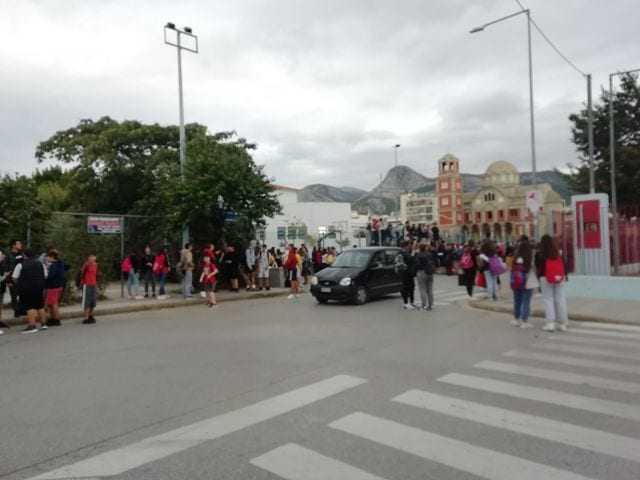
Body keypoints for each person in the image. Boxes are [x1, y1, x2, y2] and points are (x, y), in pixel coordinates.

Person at [536, 234, 568, 332]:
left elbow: (538, 267)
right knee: (560, 299)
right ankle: (562, 323)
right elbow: (564, 265)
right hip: (559, 278)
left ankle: (550, 323)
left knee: (548, 299)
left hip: (545, 278)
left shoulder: (540, 254)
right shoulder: (557, 253)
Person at [13, 250, 47, 333]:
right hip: (39, 288)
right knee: (40, 305)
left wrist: (20, 283)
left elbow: (14, 277)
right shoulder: (41, 264)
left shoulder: (20, 265)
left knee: (29, 307)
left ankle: (32, 326)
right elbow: (45, 275)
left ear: (25, 256)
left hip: (26, 289)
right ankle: (44, 324)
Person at [510, 237, 535, 328]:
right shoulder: (529, 257)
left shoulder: (516, 257)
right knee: (526, 300)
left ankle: (516, 319)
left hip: (516, 280)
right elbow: (532, 269)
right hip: (526, 280)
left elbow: (512, 268)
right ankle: (525, 321)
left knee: (517, 300)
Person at [44, 249, 68, 327]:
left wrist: (45, 279)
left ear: (52, 257)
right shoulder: (60, 263)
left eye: (48, 257)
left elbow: (51, 276)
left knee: (53, 304)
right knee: (52, 303)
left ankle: (56, 319)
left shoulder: (54, 265)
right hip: (59, 286)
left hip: (53, 287)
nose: (47, 258)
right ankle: (53, 318)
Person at [79, 253, 100, 324]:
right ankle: (86, 317)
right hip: (87, 284)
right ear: (88, 258)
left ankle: (91, 315)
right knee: (86, 301)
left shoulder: (96, 265)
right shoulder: (86, 265)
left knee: (93, 301)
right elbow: (81, 273)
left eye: (93, 257)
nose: (92, 259)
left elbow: (97, 274)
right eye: (91, 257)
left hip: (94, 284)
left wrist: (97, 283)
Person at [397, 240, 417, 310]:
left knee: (411, 287)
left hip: (408, 273)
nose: (410, 246)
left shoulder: (403, 252)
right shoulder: (402, 253)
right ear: (406, 246)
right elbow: (411, 259)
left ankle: (411, 302)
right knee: (406, 288)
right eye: (409, 245)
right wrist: (414, 252)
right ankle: (406, 303)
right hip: (405, 273)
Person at [6, 240, 24, 318]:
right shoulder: (8, 255)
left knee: (22, 295)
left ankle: (22, 310)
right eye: (18, 244)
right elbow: (6, 268)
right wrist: (8, 280)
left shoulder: (22, 254)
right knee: (14, 296)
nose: (20, 245)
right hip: (12, 279)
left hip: (22, 279)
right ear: (13, 246)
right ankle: (17, 312)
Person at [415, 242, 435, 310]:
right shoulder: (430, 254)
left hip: (422, 272)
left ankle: (423, 304)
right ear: (425, 248)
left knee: (422, 289)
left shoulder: (418, 255)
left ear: (419, 248)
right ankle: (431, 304)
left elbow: (417, 265)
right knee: (430, 289)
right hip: (430, 272)